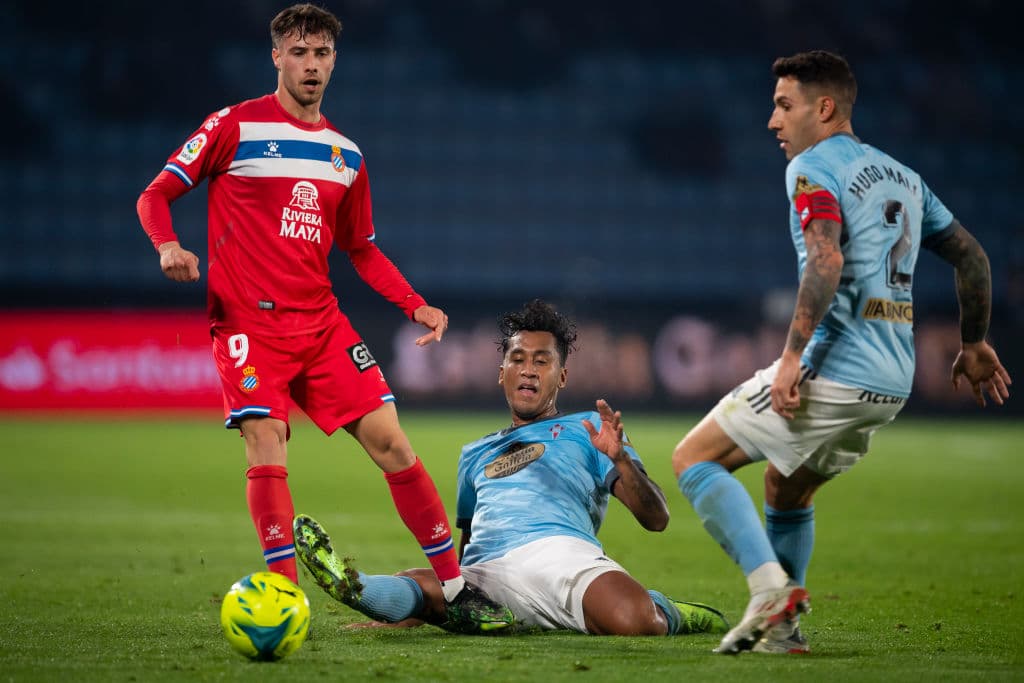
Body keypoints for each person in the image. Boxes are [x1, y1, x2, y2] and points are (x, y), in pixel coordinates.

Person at [134, 3, 512, 633]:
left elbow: (360, 248)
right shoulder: (233, 125)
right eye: (299, 52)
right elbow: (156, 194)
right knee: (267, 442)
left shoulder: (345, 155)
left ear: (335, 61)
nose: (311, 65)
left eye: (322, 54)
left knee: (394, 444)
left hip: (321, 324)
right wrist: (168, 245)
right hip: (248, 326)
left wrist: (414, 303)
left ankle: (456, 588)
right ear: (276, 57)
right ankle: (283, 599)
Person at [672, 49, 1012, 655]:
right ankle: (783, 631)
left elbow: (825, 260)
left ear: (824, 108)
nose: (773, 121)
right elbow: (973, 258)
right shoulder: (905, 178)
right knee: (786, 487)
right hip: (892, 380)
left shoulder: (812, 167)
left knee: (694, 459)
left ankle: (768, 590)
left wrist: (790, 357)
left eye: (784, 105)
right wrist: (974, 341)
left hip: (838, 364)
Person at [293, 299, 730, 636]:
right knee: (419, 583)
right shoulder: (474, 454)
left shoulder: (591, 429)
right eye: (518, 359)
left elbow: (656, 519)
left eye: (542, 361)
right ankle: (356, 585)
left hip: (564, 558)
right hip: (487, 579)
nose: (528, 371)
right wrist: (432, 609)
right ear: (501, 372)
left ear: (562, 376)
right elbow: (463, 551)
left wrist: (620, 459)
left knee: (635, 621)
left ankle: (666, 609)